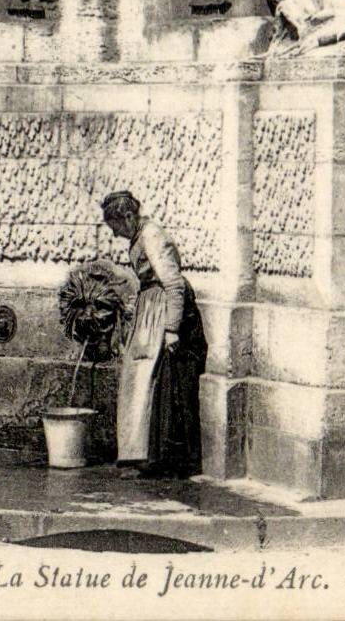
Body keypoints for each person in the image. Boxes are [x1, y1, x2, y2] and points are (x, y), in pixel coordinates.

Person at [101, 190, 207, 478]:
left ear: (127, 216)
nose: (115, 234)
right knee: (136, 377)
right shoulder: (139, 236)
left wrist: (172, 329)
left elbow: (174, 284)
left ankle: (147, 457)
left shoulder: (152, 235)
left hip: (162, 313)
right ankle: (136, 454)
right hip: (150, 310)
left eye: (115, 227)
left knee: (147, 379)